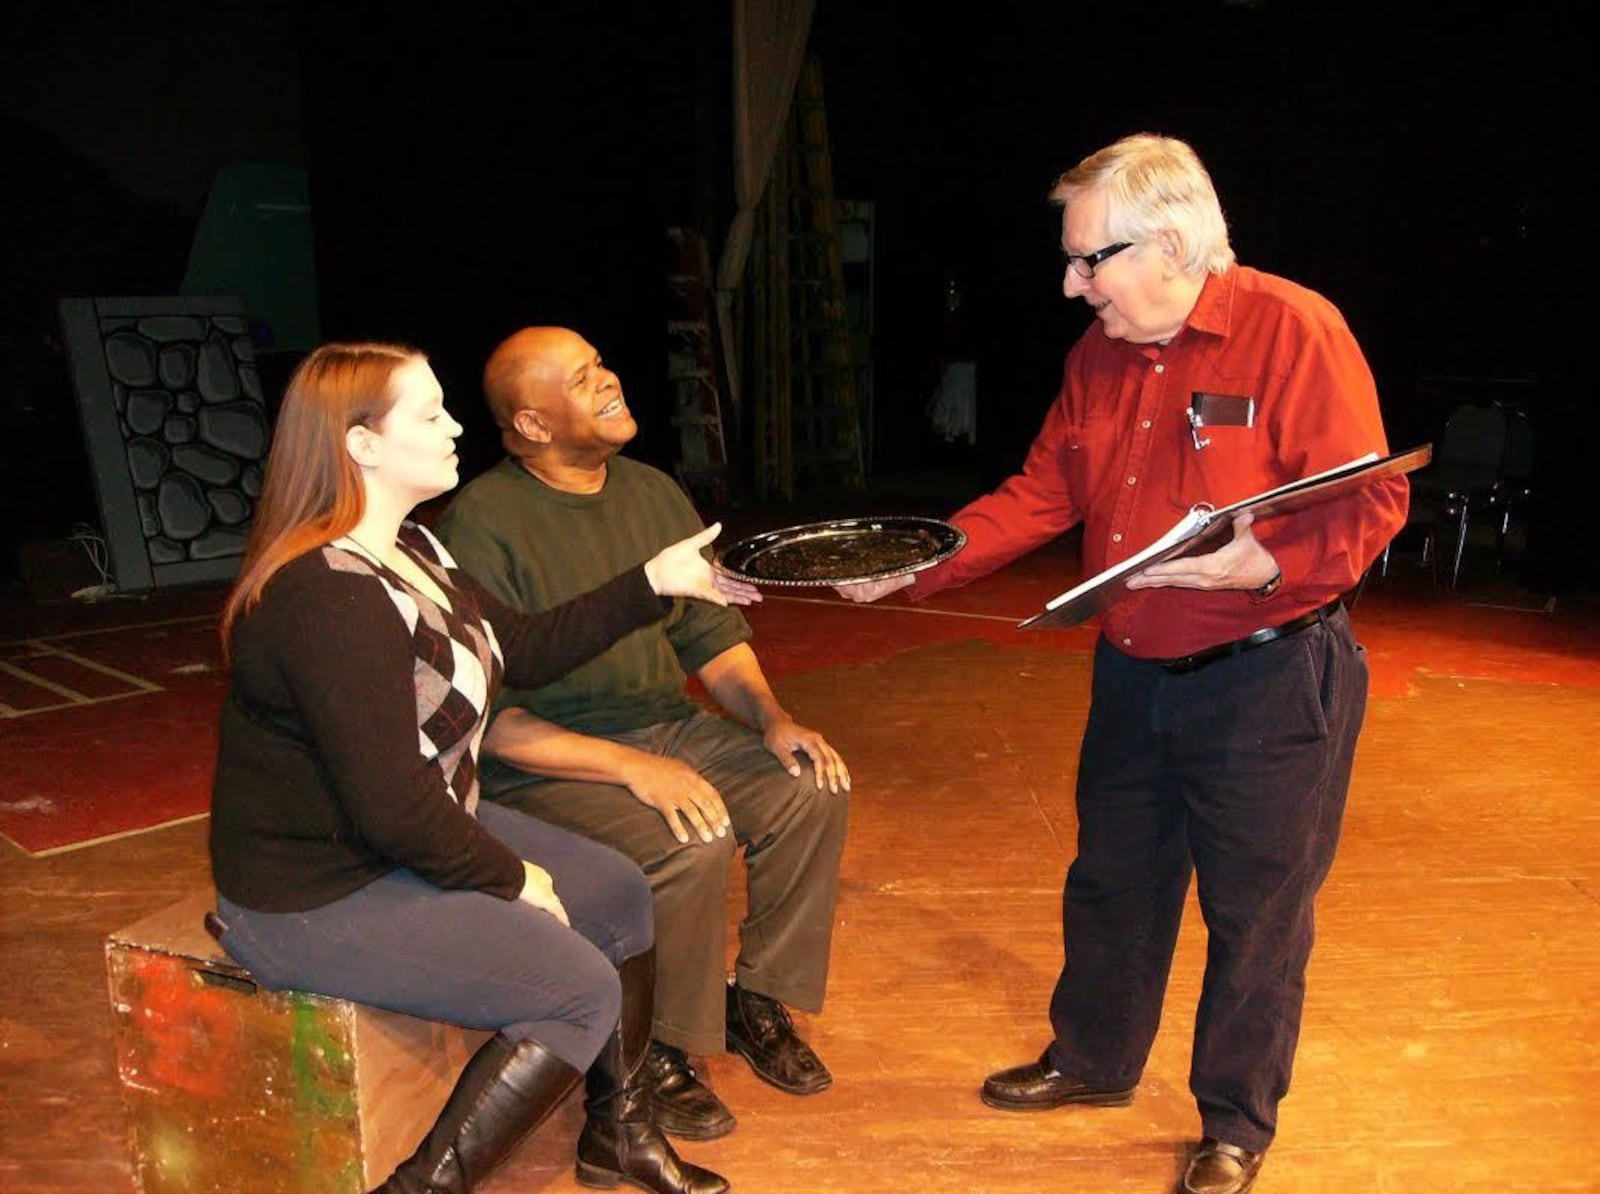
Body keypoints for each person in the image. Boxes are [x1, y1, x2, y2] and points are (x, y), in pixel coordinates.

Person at [837, 134, 1408, 1194]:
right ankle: (1093, 1060)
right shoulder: (1100, 352)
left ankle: (1234, 1122)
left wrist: (1264, 562)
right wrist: (915, 568)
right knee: (1113, 883)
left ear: (1176, 243)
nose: (1070, 283)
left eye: (1088, 258)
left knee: (1256, 913)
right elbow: (1042, 490)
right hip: (1134, 671)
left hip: (1270, 679)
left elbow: (1370, 501)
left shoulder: (1295, 331)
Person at [208, 340, 756, 1194]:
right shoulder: (326, 596)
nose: (458, 424)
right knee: (576, 987)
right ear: (361, 445)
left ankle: (618, 1134)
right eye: (430, 414)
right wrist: (510, 878)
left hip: (400, 833)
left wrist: (655, 579)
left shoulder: (416, 551)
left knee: (616, 892)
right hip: (317, 891)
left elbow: (524, 650)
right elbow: (390, 807)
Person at [435, 326, 849, 1143]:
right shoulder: (481, 522)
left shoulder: (653, 491)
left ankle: (754, 999)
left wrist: (772, 719)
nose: (609, 381)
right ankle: (658, 1043)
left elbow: (710, 636)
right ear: (533, 426)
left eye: (601, 364)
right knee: (686, 838)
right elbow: (489, 718)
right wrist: (629, 768)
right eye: (582, 378)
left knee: (808, 788)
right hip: (548, 757)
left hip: (667, 725)